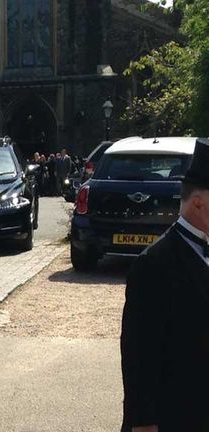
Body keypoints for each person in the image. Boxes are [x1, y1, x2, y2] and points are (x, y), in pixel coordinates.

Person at [120, 137, 209, 431]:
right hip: (176, 416)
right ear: (199, 204)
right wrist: (143, 423)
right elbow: (139, 357)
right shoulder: (154, 265)